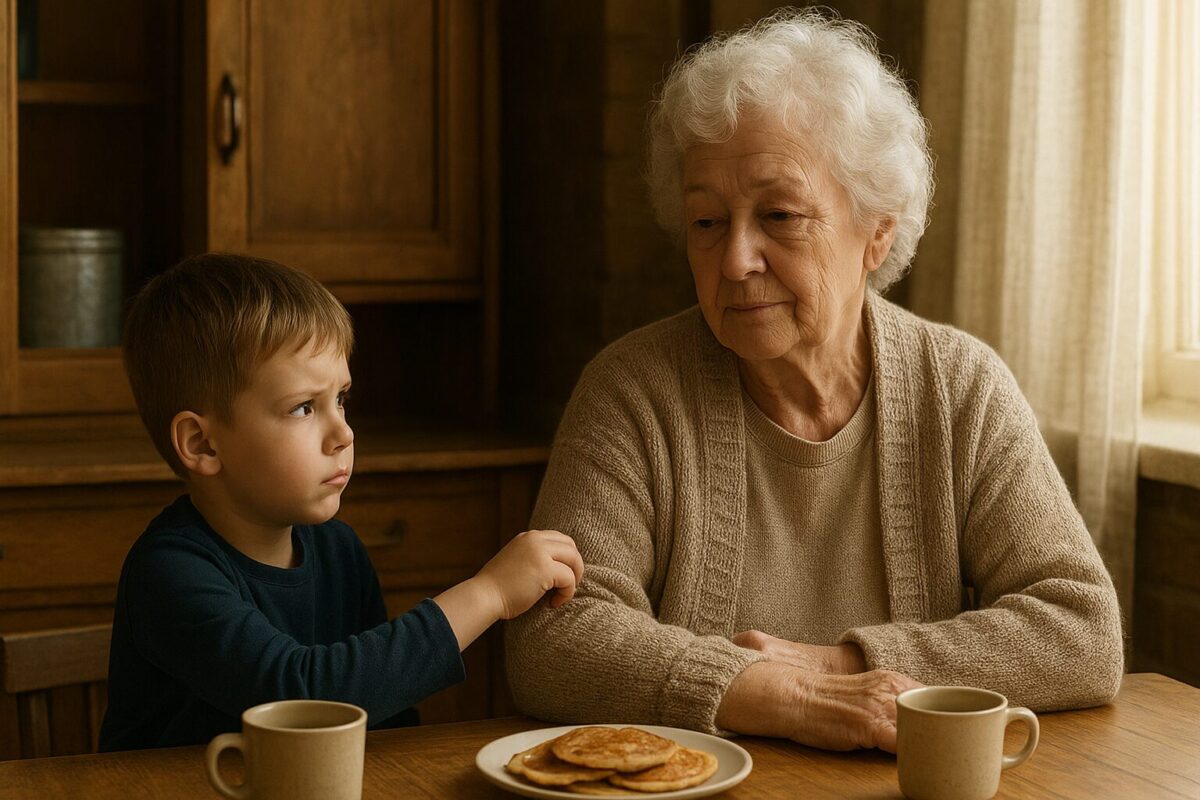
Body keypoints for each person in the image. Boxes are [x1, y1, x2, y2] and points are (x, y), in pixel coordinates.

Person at [505, 9, 1123, 753]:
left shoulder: (961, 389)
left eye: (780, 215)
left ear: (877, 231)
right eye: (707, 222)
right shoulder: (631, 391)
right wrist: (783, 696)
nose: (735, 260)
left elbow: (1082, 630)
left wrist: (845, 666)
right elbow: (552, 640)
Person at [100, 253, 583, 751]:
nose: (343, 432)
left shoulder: (338, 549)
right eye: (304, 407)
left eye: (342, 399)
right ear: (203, 445)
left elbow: (383, 719)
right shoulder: (170, 571)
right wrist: (489, 594)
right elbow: (304, 698)